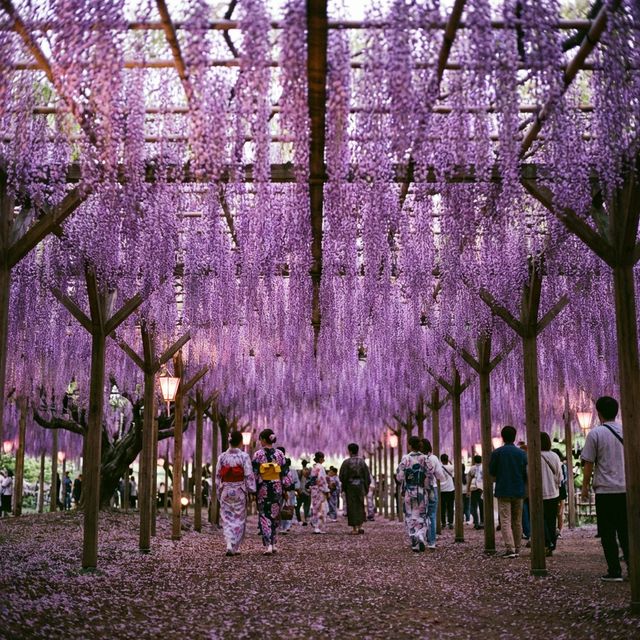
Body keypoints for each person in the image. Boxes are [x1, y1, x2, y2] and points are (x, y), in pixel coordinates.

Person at [580, 396, 628, 582]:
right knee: (627, 531)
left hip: (605, 491)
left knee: (608, 533)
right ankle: (633, 568)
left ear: (598, 413)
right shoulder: (627, 429)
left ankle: (614, 571)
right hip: (626, 489)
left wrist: (584, 487)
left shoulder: (595, 434)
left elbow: (588, 464)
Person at [489, 425, 528, 558]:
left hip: (503, 489)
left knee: (505, 520)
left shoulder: (497, 453)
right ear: (515, 437)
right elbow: (525, 473)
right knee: (517, 520)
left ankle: (510, 548)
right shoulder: (522, 454)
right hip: (518, 490)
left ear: (502, 437)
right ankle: (517, 548)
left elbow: (492, 472)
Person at [216, 431, 256, 556]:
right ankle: (235, 545)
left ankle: (229, 543)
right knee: (239, 518)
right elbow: (248, 475)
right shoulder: (244, 456)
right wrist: (251, 489)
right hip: (239, 490)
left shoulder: (222, 457)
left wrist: (219, 491)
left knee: (227, 518)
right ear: (240, 442)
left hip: (226, 490)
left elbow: (218, 476)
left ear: (229, 441)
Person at [396, 436, 435, 552]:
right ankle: (421, 535)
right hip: (421, 491)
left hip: (409, 491)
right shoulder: (425, 458)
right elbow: (430, 473)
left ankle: (414, 540)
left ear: (410, 445)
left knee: (410, 515)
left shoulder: (406, 459)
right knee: (422, 515)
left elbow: (399, 476)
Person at [252, 428, 287, 555]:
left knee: (264, 515)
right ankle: (273, 543)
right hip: (277, 486)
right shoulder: (279, 454)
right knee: (275, 515)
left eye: (260, 439)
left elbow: (255, 473)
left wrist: (253, 488)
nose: (260, 441)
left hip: (263, 487)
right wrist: (285, 487)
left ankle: (268, 546)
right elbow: (284, 471)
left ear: (264, 439)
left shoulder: (258, 455)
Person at [339, 443, 371, 534]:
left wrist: (345, 485)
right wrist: (366, 487)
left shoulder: (346, 462)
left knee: (352, 506)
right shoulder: (362, 462)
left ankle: (354, 528)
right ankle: (360, 526)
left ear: (350, 451)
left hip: (350, 486)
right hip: (360, 485)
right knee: (360, 505)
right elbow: (367, 476)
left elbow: (342, 476)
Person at [540, 433, 562, 557]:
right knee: (551, 520)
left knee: (541, 520)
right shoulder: (554, 456)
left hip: (539, 494)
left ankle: (547, 543)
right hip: (554, 493)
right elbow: (560, 475)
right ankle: (551, 544)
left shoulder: (533, 456)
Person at [420, 439, 445, 549]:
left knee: (421, 515)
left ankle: (421, 538)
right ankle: (431, 542)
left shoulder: (417, 459)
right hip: (431, 488)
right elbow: (439, 475)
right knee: (432, 515)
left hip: (419, 490)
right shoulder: (433, 458)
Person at [309, 451, 330, 534]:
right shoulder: (320, 467)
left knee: (315, 508)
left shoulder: (314, 467)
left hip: (314, 490)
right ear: (321, 458)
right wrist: (327, 490)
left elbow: (312, 480)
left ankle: (315, 525)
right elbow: (322, 480)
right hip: (319, 490)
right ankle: (318, 527)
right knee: (321, 508)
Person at [279, 451, 299, 535]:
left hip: (289, 491)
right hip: (285, 491)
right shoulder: (282, 470)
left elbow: (295, 482)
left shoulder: (291, 471)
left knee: (287, 508)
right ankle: (283, 526)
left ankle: (286, 526)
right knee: (284, 508)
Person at [552, 448, 568, 537]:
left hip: (555, 489)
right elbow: (564, 479)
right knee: (560, 512)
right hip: (561, 490)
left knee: (557, 512)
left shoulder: (562, 466)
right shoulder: (562, 466)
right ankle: (559, 531)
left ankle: (558, 530)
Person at [467, 455, 484, 530]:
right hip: (482, 488)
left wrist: (468, 489)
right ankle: (482, 522)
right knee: (481, 506)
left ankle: (476, 522)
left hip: (474, 489)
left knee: (473, 506)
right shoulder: (484, 467)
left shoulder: (472, 468)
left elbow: (469, 479)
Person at [439, 454, 454, 530]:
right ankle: (450, 522)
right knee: (450, 506)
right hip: (450, 489)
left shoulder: (439, 468)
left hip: (441, 490)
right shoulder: (451, 467)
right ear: (447, 459)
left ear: (441, 460)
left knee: (442, 507)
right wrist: (450, 463)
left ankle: (443, 523)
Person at [295, 459, 311, 526]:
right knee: (305, 507)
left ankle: (300, 520)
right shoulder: (308, 471)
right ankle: (304, 519)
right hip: (304, 492)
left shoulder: (299, 472)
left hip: (301, 492)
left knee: (298, 507)